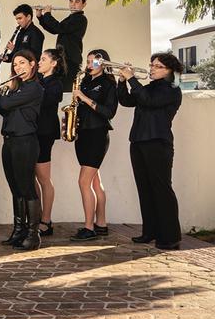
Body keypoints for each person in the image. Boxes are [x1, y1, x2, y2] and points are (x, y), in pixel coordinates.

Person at [117, 53, 184, 250]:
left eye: (157, 66)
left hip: (157, 143)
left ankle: (170, 237)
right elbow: (127, 101)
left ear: (170, 70)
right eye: (151, 65)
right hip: (138, 141)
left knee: (161, 189)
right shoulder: (149, 87)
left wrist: (131, 78)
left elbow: (149, 101)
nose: (152, 68)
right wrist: (122, 82)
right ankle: (150, 231)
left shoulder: (172, 89)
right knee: (144, 188)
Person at [0, 49, 44, 251]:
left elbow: (6, 103)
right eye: (15, 64)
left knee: (27, 188)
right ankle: (19, 231)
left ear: (32, 64)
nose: (17, 67)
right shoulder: (17, 88)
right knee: (16, 189)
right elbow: (3, 109)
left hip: (25, 142)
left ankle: (33, 235)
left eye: (22, 63)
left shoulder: (34, 88)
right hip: (9, 142)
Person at [69, 50, 118, 242]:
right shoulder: (85, 81)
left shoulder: (108, 84)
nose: (89, 65)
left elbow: (108, 112)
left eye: (94, 62)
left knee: (84, 182)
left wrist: (83, 97)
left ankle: (89, 227)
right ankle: (101, 224)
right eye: (88, 61)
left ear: (103, 63)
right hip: (83, 133)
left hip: (97, 134)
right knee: (95, 182)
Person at [35, 48, 67, 237]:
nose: (39, 62)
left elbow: (43, 101)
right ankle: (36, 216)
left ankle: (46, 221)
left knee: (43, 178)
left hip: (45, 133)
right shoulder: (38, 80)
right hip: (32, 132)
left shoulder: (55, 83)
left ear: (54, 63)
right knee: (31, 177)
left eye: (43, 59)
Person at [37, 0, 88, 91]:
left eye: (77, 1)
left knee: (66, 89)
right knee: (58, 87)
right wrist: (41, 17)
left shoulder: (80, 19)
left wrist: (47, 14)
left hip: (71, 60)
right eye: (71, 1)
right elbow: (54, 30)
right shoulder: (70, 18)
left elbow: (59, 28)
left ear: (84, 4)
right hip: (63, 59)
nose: (73, 4)